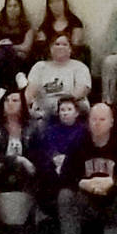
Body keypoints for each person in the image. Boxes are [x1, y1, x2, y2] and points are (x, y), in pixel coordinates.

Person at [58, 103, 117, 234]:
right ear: (88, 122)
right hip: (87, 204)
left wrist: (113, 182)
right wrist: (84, 183)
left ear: (111, 122)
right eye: (94, 119)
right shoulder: (78, 143)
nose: (97, 123)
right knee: (65, 195)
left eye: (102, 119)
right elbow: (65, 176)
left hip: (114, 204)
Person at [31, 95, 86, 223]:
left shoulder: (83, 131)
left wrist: (67, 160)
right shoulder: (50, 131)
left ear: (76, 112)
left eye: (69, 109)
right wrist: (54, 157)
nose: (65, 113)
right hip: (52, 169)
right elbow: (45, 150)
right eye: (62, 110)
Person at [0, 89, 37, 196]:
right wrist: (18, 159)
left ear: (23, 105)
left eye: (15, 100)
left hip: (27, 176)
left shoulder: (32, 127)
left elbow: (37, 154)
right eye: (6, 101)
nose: (10, 103)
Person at [25, 33, 91, 121]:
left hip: (69, 109)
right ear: (50, 47)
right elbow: (31, 91)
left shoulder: (79, 67)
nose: (60, 47)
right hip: (44, 112)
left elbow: (82, 90)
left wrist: (61, 106)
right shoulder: (39, 67)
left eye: (64, 44)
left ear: (70, 49)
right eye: (57, 44)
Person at [0, 0, 33, 98]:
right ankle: (17, 75)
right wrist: (1, 45)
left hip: (21, 60)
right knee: (1, 53)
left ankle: (2, 90)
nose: (12, 9)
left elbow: (26, 48)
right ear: (5, 8)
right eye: (9, 6)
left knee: (5, 50)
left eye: (15, 6)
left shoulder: (27, 26)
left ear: (20, 8)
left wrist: (9, 46)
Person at [33, 0, 87, 65]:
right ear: (49, 6)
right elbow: (41, 48)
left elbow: (76, 46)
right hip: (50, 63)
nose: (56, 4)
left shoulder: (75, 22)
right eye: (52, 2)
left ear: (64, 2)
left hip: (71, 62)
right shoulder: (45, 25)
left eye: (58, 1)